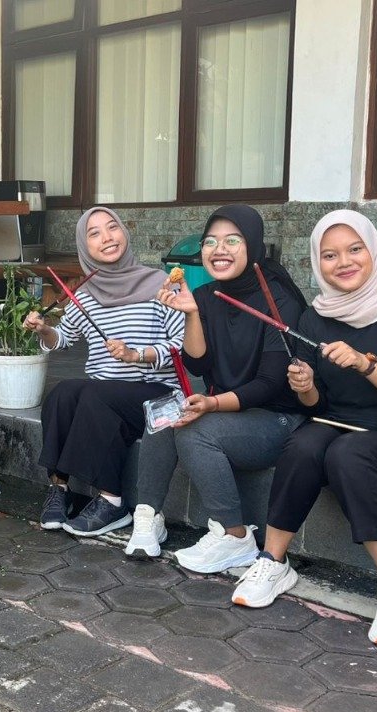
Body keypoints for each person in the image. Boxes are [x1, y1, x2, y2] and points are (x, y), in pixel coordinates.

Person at [232, 209, 377, 649]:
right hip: (344, 425)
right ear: (318, 262)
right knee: (304, 442)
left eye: (355, 249)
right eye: (330, 255)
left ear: (374, 250)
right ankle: (273, 561)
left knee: (348, 453)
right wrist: (306, 387)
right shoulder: (316, 316)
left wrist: (364, 363)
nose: (343, 262)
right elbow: (319, 407)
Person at [137, 205, 307, 564]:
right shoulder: (206, 295)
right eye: (210, 242)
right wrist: (191, 313)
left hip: (276, 418)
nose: (219, 250)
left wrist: (212, 404)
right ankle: (147, 517)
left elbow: (270, 384)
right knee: (163, 417)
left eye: (232, 240)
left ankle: (235, 535)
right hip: (227, 409)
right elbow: (198, 364)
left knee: (194, 432)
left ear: (254, 245)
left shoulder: (279, 300)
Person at [24, 206, 185, 537]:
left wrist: (136, 355)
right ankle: (59, 488)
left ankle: (113, 502)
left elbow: (184, 347)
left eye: (112, 227)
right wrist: (44, 330)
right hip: (106, 398)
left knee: (96, 396)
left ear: (124, 232)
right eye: (94, 233)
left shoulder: (161, 284)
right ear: (85, 247)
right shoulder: (85, 295)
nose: (107, 238)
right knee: (62, 394)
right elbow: (62, 338)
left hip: (159, 397)